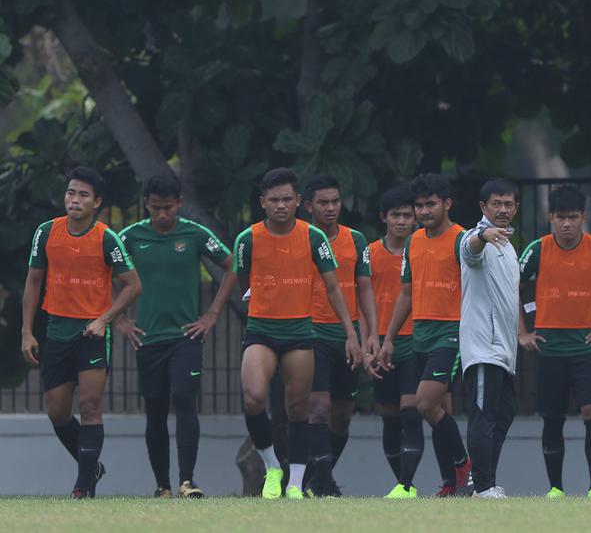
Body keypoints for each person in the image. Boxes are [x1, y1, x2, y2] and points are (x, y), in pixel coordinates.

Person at [210, 168, 360, 499]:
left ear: (298, 202)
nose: (281, 205)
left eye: (287, 199)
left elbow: (334, 288)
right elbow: (237, 277)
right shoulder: (248, 238)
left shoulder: (313, 237)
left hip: (300, 333)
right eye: (274, 199)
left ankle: (294, 482)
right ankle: (271, 466)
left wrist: (351, 333)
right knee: (253, 397)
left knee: (298, 408)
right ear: (263, 202)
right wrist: (212, 314)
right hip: (262, 331)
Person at [20, 167, 142, 498]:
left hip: (91, 334)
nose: (75, 200)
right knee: (58, 411)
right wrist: (27, 332)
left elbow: (133, 286)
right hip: (56, 331)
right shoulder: (46, 233)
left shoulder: (107, 238)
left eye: (83, 195)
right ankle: (93, 467)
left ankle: (83, 487)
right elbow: (33, 283)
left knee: (89, 407)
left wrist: (105, 319)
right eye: (71, 193)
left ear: (96, 202)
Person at [116, 173, 231, 498]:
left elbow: (232, 264)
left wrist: (212, 314)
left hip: (186, 337)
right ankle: (162, 486)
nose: (162, 214)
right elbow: (99, 270)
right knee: (155, 408)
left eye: (168, 207)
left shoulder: (195, 234)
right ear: (147, 205)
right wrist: (120, 319)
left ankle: (187, 481)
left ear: (179, 203)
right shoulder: (130, 236)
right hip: (147, 338)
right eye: (155, 208)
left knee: (184, 398)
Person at [518, 184, 591, 498]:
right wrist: (522, 332)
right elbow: (513, 286)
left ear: (583, 217)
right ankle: (556, 488)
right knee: (553, 418)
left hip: (586, 349)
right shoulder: (538, 249)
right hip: (549, 349)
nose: (567, 224)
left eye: (573, 217)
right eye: (561, 217)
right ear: (550, 217)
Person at [378, 173, 471, 498]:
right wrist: (389, 338)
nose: (424, 211)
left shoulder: (463, 240)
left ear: (447, 204)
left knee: (424, 403)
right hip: (421, 336)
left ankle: (464, 465)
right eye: (419, 205)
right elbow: (406, 293)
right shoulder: (415, 241)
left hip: (452, 333)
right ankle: (451, 482)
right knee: (437, 412)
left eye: (430, 204)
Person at [301, 175, 378, 496]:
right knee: (317, 407)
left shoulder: (356, 240)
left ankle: (314, 480)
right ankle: (327, 485)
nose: (331, 208)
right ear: (308, 206)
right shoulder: (300, 238)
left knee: (342, 416)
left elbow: (364, 288)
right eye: (323, 203)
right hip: (311, 332)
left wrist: (370, 334)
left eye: (335, 201)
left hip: (348, 337)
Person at [459, 177, 522, 499]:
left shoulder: (509, 248)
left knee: (504, 415)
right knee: (483, 417)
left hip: (505, 352)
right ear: (483, 207)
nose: (502, 210)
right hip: (483, 348)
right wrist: (483, 234)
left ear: (516, 208)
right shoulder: (475, 238)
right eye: (496, 204)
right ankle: (482, 487)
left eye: (508, 204)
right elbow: (471, 249)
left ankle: (484, 481)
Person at [368, 185, 417, 492]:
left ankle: (406, 484)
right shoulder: (369, 254)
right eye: (396, 215)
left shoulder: (422, 249)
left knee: (410, 408)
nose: (402, 221)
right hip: (381, 341)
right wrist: (368, 340)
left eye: (407, 215)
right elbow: (360, 300)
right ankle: (401, 481)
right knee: (389, 414)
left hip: (415, 339)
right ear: (383, 217)